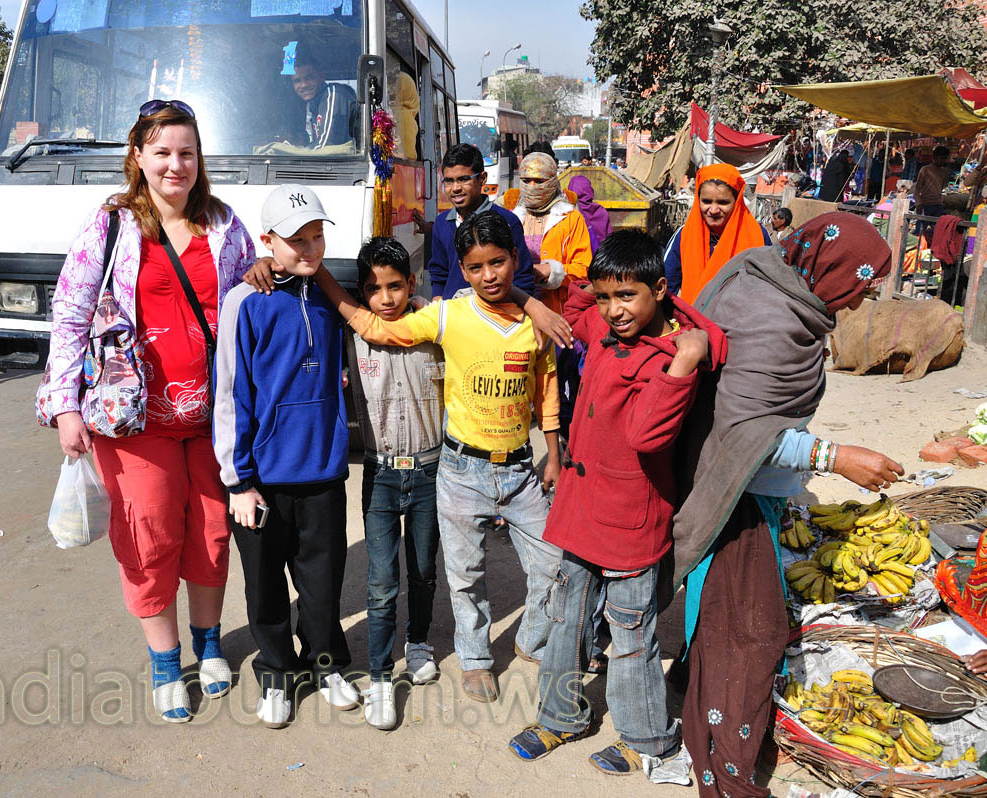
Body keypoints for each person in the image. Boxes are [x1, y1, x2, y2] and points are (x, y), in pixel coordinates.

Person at [671, 212, 905, 798]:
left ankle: (695, 681)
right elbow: (740, 433)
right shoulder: (771, 317)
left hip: (755, 487)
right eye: (861, 284)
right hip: (733, 489)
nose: (863, 299)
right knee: (751, 632)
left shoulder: (772, 278)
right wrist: (834, 456)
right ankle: (726, 762)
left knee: (723, 612)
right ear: (831, 268)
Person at [38, 100, 256, 723]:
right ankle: (165, 661)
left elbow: (251, 297)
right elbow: (70, 315)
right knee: (148, 537)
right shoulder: (111, 226)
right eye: (162, 152)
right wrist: (65, 407)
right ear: (138, 156)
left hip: (214, 420)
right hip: (133, 422)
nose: (175, 165)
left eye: (186, 152)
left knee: (212, 536)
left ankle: (209, 643)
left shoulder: (224, 224)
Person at [312, 212, 565, 704]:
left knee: (555, 564)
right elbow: (376, 329)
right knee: (465, 575)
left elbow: (547, 392)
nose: (488, 275)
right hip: (461, 470)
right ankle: (475, 659)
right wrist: (317, 270)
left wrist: (551, 454)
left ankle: (531, 639)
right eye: (476, 267)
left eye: (498, 262)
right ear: (463, 271)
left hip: (519, 469)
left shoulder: (535, 327)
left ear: (516, 258)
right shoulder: (447, 316)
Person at [507, 230, 726, 772]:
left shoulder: (669, 354)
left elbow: (649, 435)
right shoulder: (605, 327)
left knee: (630, 632)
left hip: (630, 519)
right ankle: (560, 716)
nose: (613, 309)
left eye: (627, 295)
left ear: (661, 290)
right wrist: (586, 283)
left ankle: (648, 737)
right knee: (566, 618)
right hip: (582, 510)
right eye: (606, 296)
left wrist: (687, 358)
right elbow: (575, 309)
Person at [213, 183, 359, 728]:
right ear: (268, 240)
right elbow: (230, 392)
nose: (310, 248)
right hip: (262, 480)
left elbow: (381, 315)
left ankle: (325, 664)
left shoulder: (329, 297)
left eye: (317, 236)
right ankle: (276, 673)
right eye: (297, 239)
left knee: (322, 582)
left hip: (322, 469)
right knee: (265, 586)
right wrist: (238, 481)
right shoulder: (244, 302)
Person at [346, 237, 444, 731]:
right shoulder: (352, 335)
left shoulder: (435, 326)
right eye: (373, 289)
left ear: (412, 283)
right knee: (382, 582)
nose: (385, 298)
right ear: (362, 293)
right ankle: (381, 677)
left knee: (423, 570)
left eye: (395, 286)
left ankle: (419, 642)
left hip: (430, 472)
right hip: (381, 473)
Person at [428, 142, 534, 300]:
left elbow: (522, 277)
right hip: (454, 311)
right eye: (449, 181)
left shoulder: (507, 221)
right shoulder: (442, 223)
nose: (455, 188)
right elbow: (439, 274)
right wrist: (439, 305)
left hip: (497, 311)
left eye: (463, 179)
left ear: (482, 179)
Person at [663, 163, 770, 303]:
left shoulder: (758, 235)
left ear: (737, 201)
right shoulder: (684, 235)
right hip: (693, 315)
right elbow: (667, 287)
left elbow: (770, 287)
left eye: (723, 202)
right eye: (706, 201)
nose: (713, 210)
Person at [513, 152, 593, 314]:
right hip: (517, 308)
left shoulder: (570, 219)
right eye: (526, 180)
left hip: (558, 309)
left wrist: (551, 270)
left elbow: (584, 269)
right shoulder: (512, 218)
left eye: (539, 181)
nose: (532, 186)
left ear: (552, 181)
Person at [290, 52, 356, 150]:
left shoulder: (333, 93)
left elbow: (325, 146)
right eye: (297, 81)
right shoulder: (312, 105)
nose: (303, 85)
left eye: (309, 78)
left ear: (322, 76)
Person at [567, 174, 613, 254]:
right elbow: (609, 239)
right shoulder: (600, 211)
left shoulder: (568, 213)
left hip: (577, 258)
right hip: (599, 257)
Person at [915, 145, 952, 223]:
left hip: (938, 205)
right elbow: (917, 188)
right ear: (934, 157)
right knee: (922, 228)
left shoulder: (944, 171)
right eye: (941, 158)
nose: (943, 161)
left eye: (945, 158)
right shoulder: (925, 169)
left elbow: (942, 187)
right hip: (925, 204)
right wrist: (918, 203)